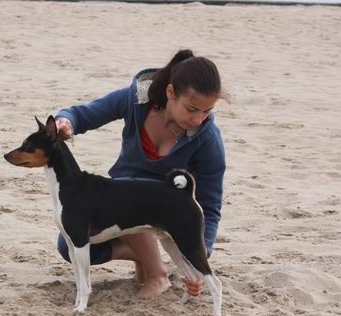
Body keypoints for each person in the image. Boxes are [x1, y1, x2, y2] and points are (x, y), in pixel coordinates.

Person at [54, 49, 226, 300]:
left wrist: (200, 258)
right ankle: (147, 258)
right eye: (192, 109)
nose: (199, 119)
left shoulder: (208, 139)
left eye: (207, 111)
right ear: (170, 93)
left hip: (165, 210)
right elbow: (81, 115)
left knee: (134, 199)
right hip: (120, 200)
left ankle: (157, 275)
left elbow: (210, 206)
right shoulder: (136, 100)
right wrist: (66, 123)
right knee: (69, 245)